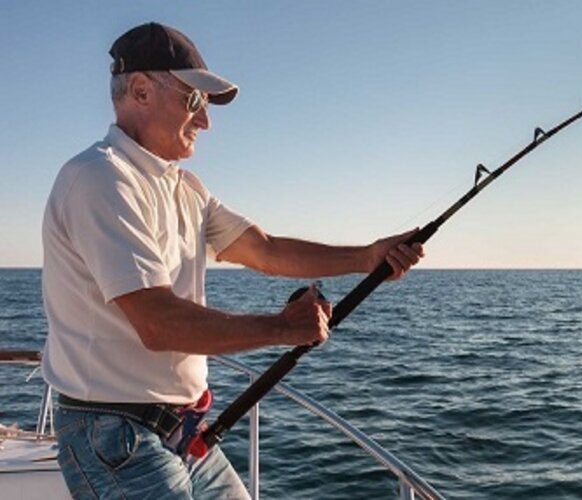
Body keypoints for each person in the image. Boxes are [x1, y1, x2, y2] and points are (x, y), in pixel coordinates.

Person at [41, 22, 424, 499]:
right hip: (115, 438)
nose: (205, 122)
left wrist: (367, 257)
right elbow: (157, 323)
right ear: (140, 90)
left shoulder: (186, 189)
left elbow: (264, 249)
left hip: (181, 430)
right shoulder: (100, 179)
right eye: (194, 101)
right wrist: (284, 329)